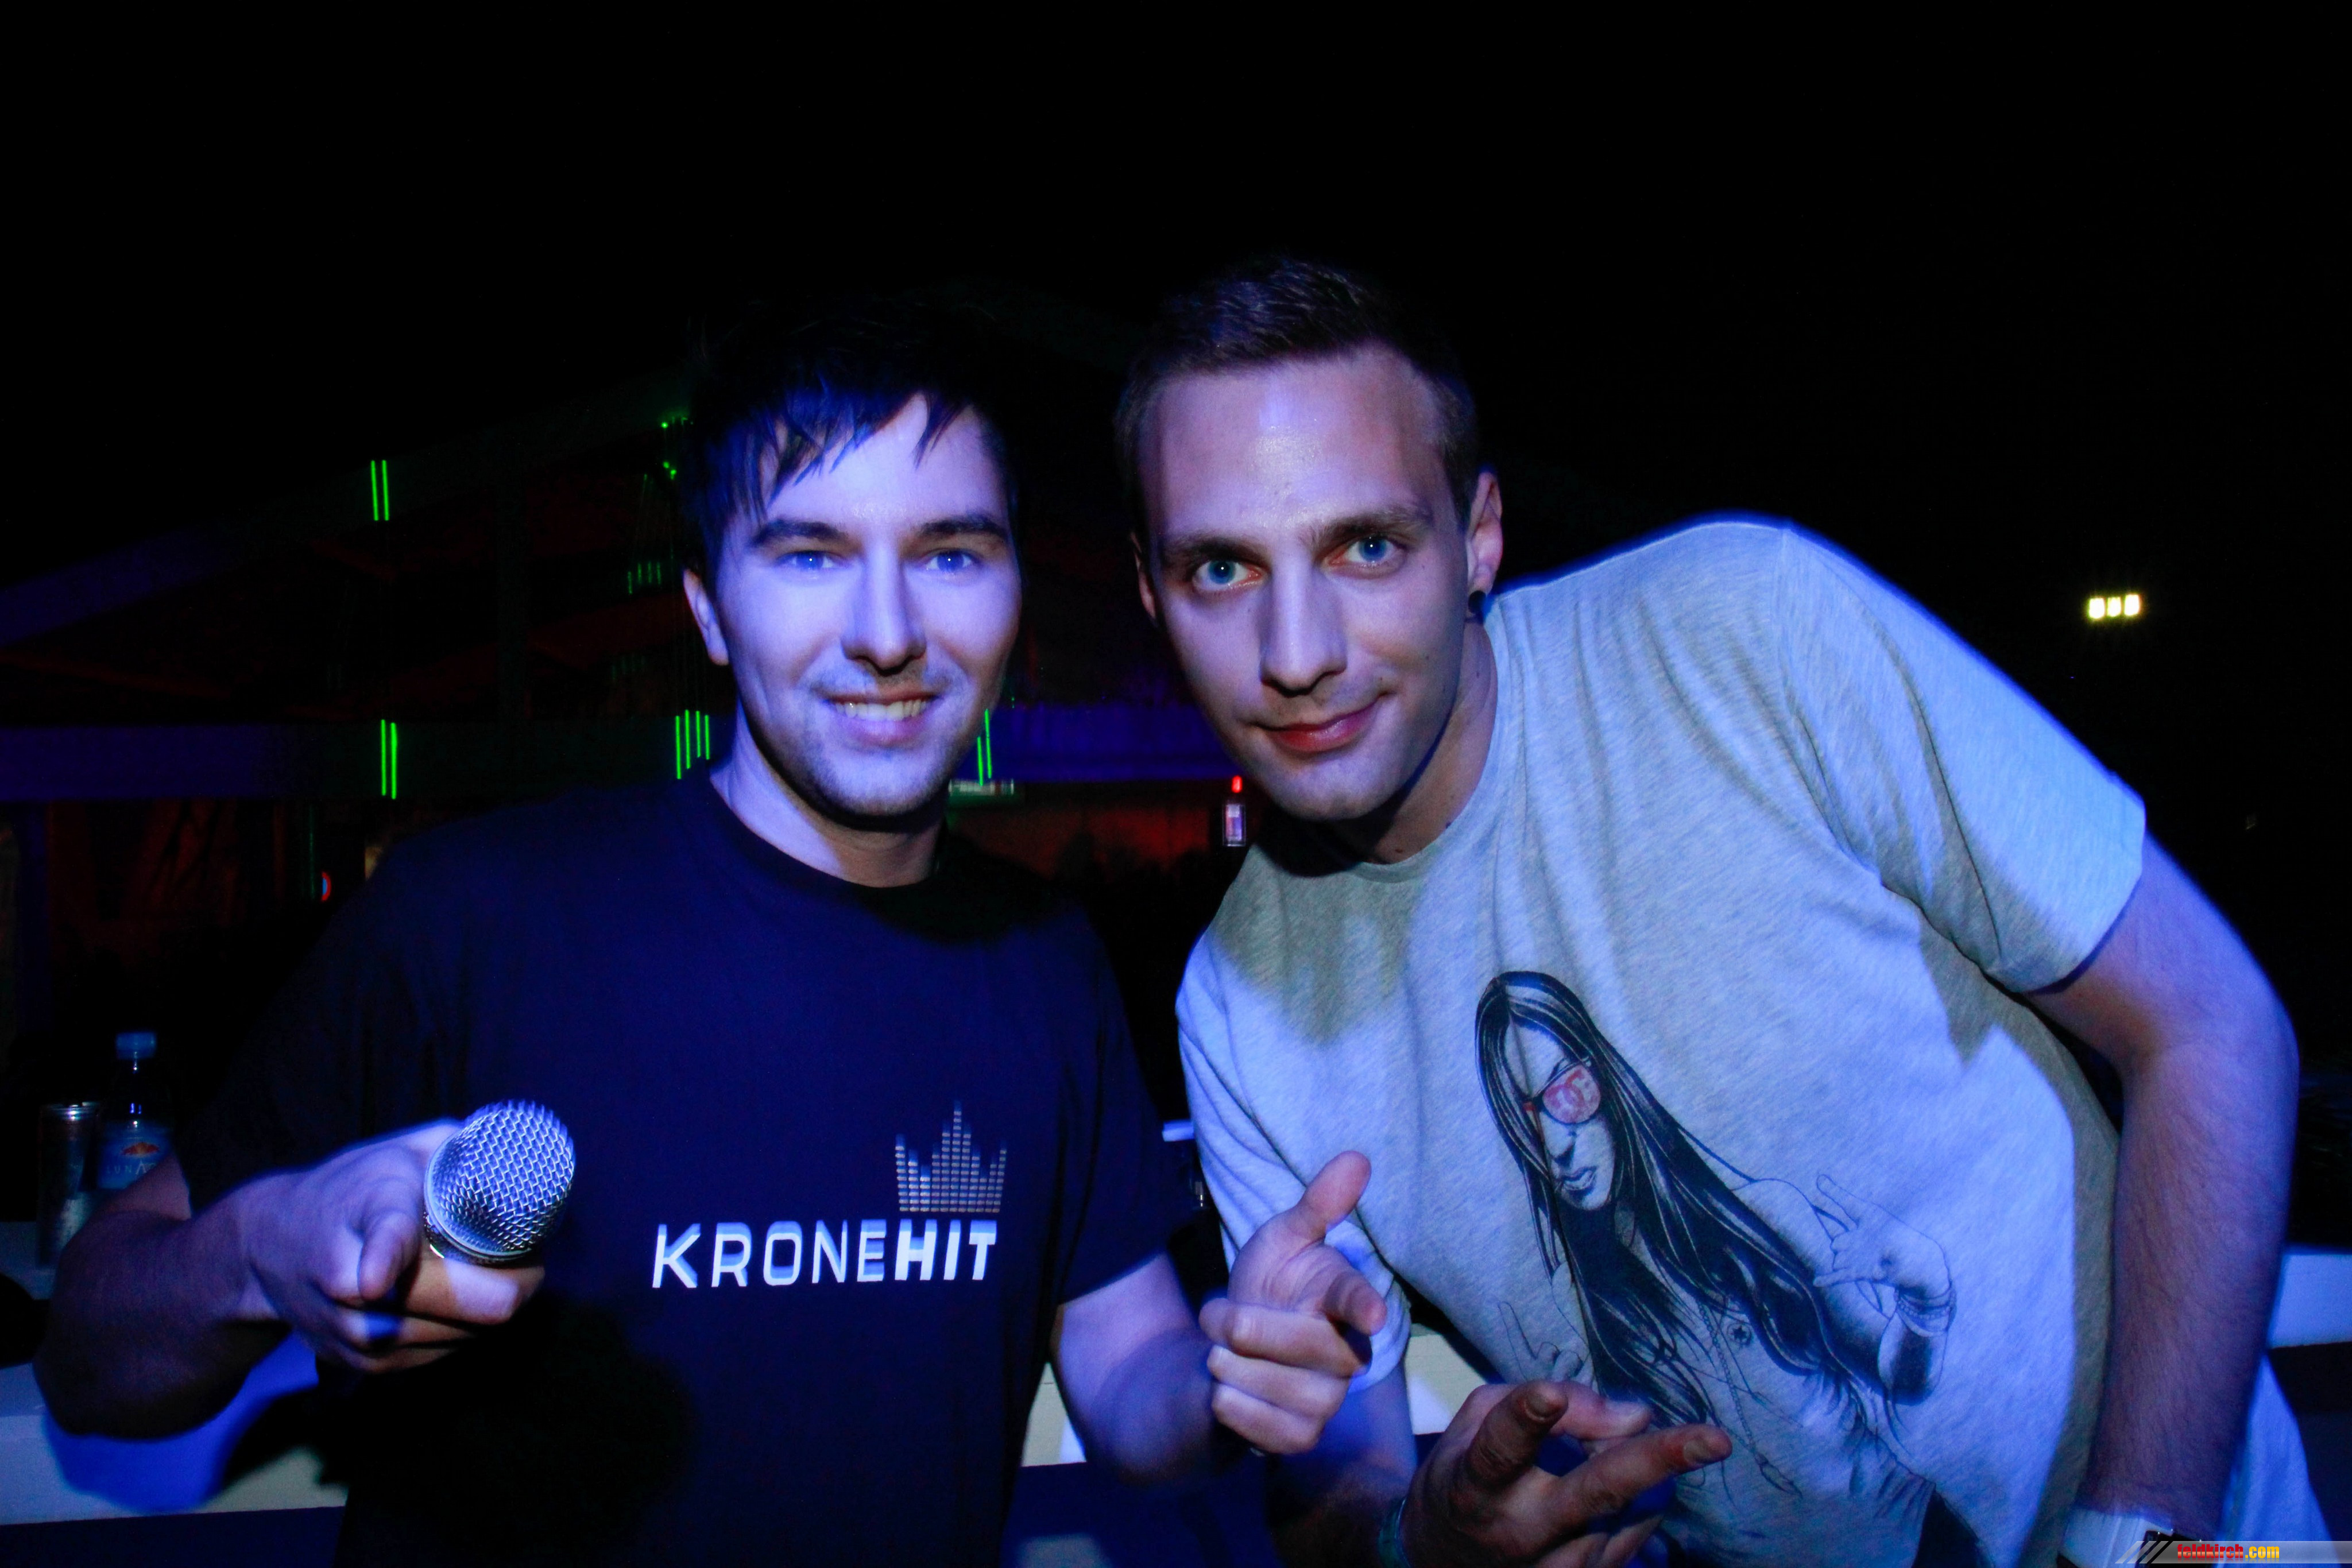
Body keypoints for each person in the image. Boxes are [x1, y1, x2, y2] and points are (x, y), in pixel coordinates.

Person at [34, 301, 1357, 1565]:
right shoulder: (473, 917)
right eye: (809, 555)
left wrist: (1232, 1373)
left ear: (1016, 586)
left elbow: (1126, 1378)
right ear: (709, 607)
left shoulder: (1044, 961)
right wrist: (258, 1250)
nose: (888, 634)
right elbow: (89, 1356)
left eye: (949, 552)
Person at [1125, 260, 2325, 1567]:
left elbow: (2212, 1029)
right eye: (1223, 568)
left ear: (1478, 537)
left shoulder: (1738, 631)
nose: (1298, 652)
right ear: (1149, 596)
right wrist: (1428, 1532)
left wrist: (2140, 1548)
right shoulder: (1235, 1010)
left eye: (1367, 546)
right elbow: (1332, 1503)